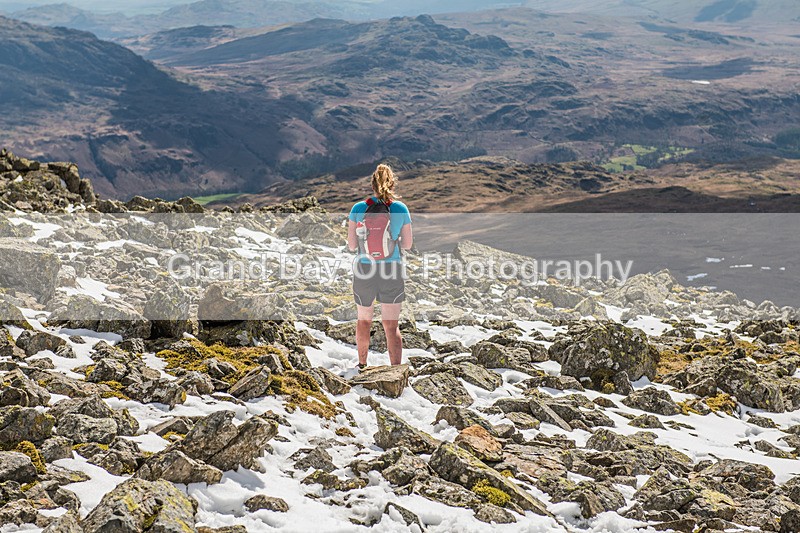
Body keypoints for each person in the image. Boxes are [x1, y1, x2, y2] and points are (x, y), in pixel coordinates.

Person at [347, 164, 413, 369]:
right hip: (391, 270)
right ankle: (395, 371)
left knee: (364, 321)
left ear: (372, 185)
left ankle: (362, 365)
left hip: (364, 269)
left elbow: (352, 245)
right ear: (392, 184)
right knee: (391, 325)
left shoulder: (358, 208)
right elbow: (407, 244)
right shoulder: (400, 209)